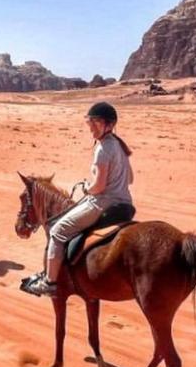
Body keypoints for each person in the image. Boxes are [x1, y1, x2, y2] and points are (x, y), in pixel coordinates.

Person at [25, 101, 134, 297]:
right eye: (90, 122)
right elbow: (130, 179)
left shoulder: (103, 149)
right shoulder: (120, 146)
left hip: (102, 203)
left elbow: (99, 187)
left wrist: (86, 187)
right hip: (125, 202)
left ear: (108, 125)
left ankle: (49, 282)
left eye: (96, 123)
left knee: (57, 231)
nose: (91, 127)